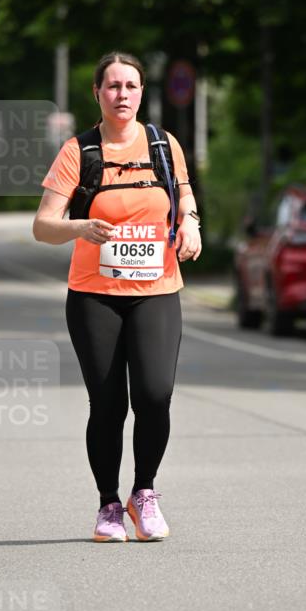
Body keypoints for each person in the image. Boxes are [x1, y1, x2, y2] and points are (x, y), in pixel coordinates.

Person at [33, 51, 202, 543]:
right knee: (108, 404)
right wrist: (80, 227)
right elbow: (42, 226)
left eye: (130, 86)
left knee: (155, 395)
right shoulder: (78, 152)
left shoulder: (163, 145)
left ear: (141, 93)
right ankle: (109, 505)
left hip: (157, 290)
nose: (122, 94)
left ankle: (143, 493)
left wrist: (190, 223)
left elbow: (184, 194)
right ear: (97, 94)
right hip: (95, 296)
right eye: (112, 86)